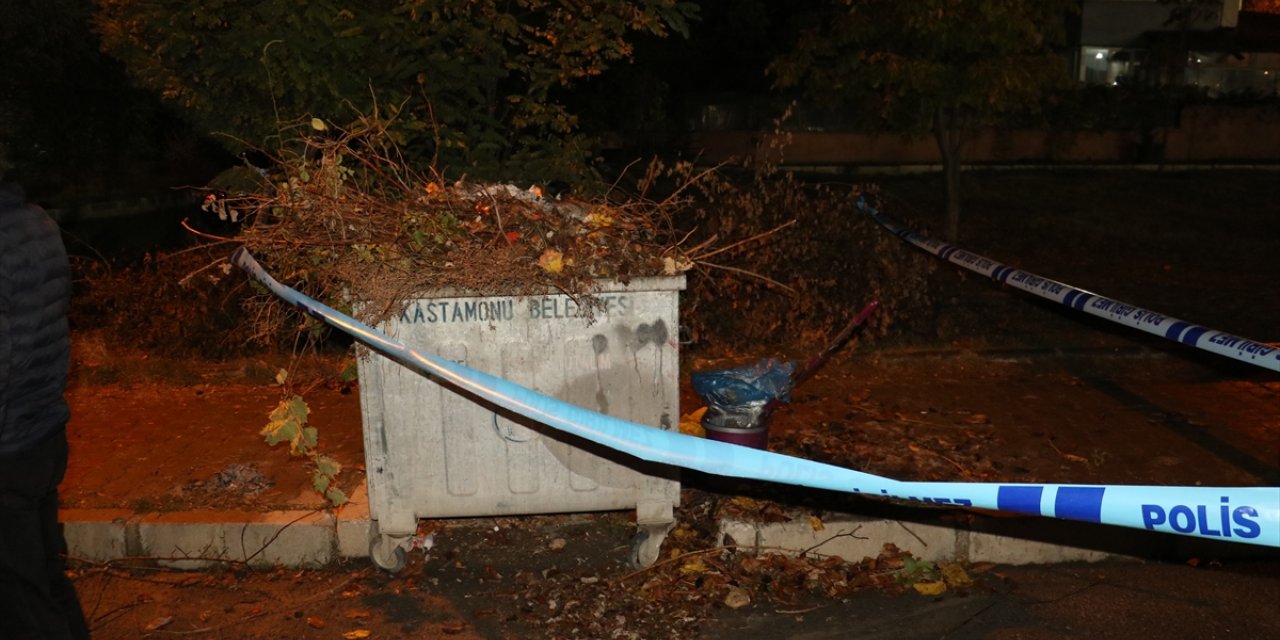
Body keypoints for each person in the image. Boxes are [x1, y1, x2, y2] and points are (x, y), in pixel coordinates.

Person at [0, 155, 90, 639]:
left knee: (19, 605)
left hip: (8, 448)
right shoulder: (36, 221)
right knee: (47, 581)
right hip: (42, 431)